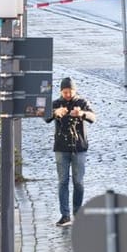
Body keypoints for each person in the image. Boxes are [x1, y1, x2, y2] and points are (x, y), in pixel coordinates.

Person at [43, 76, 96, 227]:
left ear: (75, 90)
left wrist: (82, 114)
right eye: (65, 91)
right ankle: (65, 215)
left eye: (70, 91)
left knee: (78, 182)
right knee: (62, 181)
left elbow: (93, 117)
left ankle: (77, 212)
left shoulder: (82, 102)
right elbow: (45, 117)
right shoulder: (56, 103)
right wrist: (54, 113)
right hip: (61, 147)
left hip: (79, 147)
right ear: (61, 91)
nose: (67, 94)